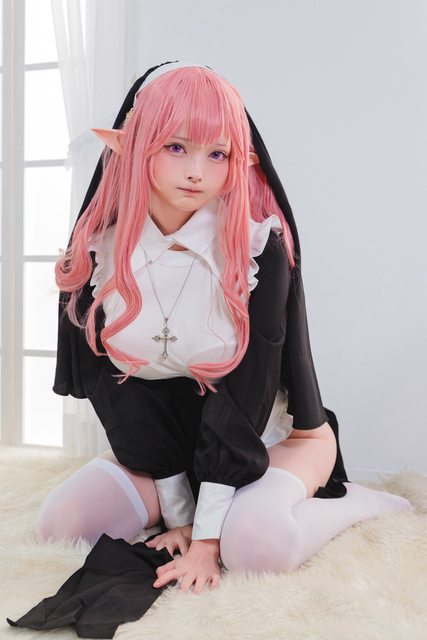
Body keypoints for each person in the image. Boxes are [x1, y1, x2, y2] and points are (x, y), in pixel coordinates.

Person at [36, 61, 414, 595]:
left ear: (240, 163)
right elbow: (114, 392)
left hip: (270, 436)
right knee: (60, 527)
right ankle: (199, 501)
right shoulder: (95, 256)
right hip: (167, 444)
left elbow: (246, 396)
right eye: (176, 147)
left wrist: (207, 538)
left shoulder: (258, 251)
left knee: (255, 552)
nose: (197, 171)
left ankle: (360, 502)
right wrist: (178, 514)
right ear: (131, 145)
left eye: (218, 154)